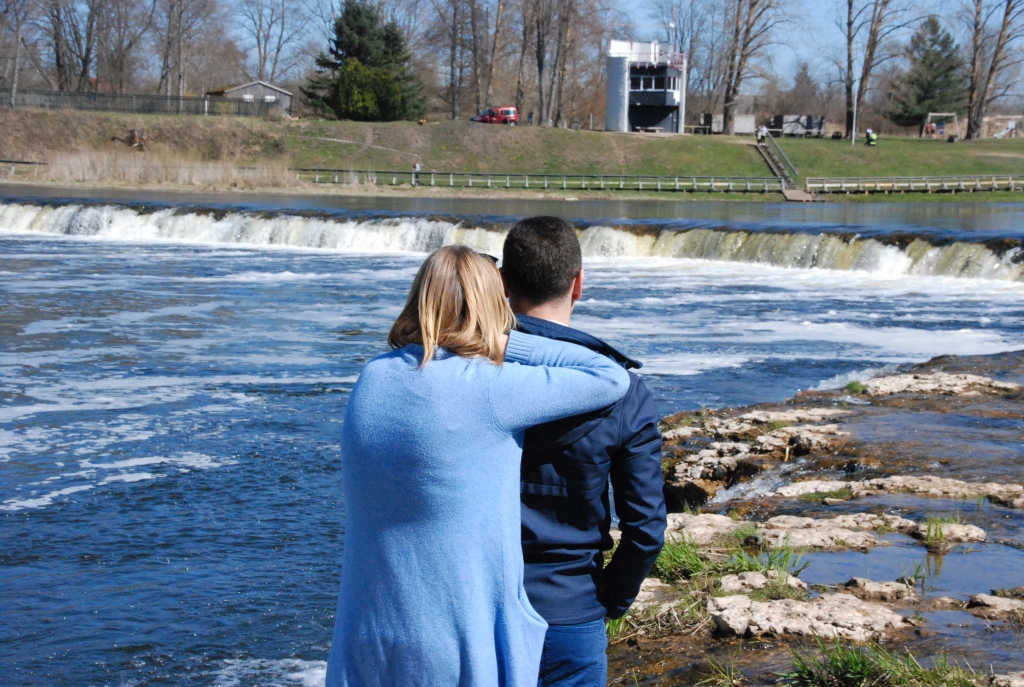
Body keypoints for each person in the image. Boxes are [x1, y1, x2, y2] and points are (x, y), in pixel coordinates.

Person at [324, 245, 631, 687]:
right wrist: (504, 339)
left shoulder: (372, 378)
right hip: (455, 646)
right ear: (494, 303)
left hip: (368, 637)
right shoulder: (491, 387)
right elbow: (609, 376)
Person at [501, 217, 667, 687]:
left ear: (502, 283)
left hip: (475, 607)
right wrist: (607, 601)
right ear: (578, 284)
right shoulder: (623, 392)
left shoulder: (468, 373)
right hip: (570, 610)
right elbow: (646, 527)